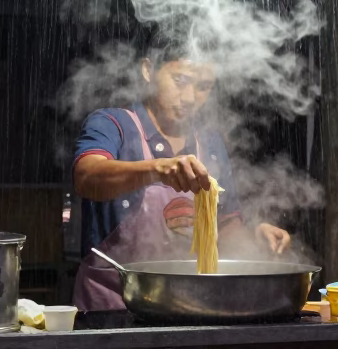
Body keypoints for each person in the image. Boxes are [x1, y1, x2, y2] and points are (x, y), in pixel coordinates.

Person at [70, 33, 293, 311]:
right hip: (111, 309)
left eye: (203, 86)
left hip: (185, 306)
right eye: (180, 81)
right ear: (148, 70)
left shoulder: (209, 142)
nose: (190, 98)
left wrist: (253, 239)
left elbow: (223, 224)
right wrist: (156, 169)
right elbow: (87, 176)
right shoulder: (112, 124)